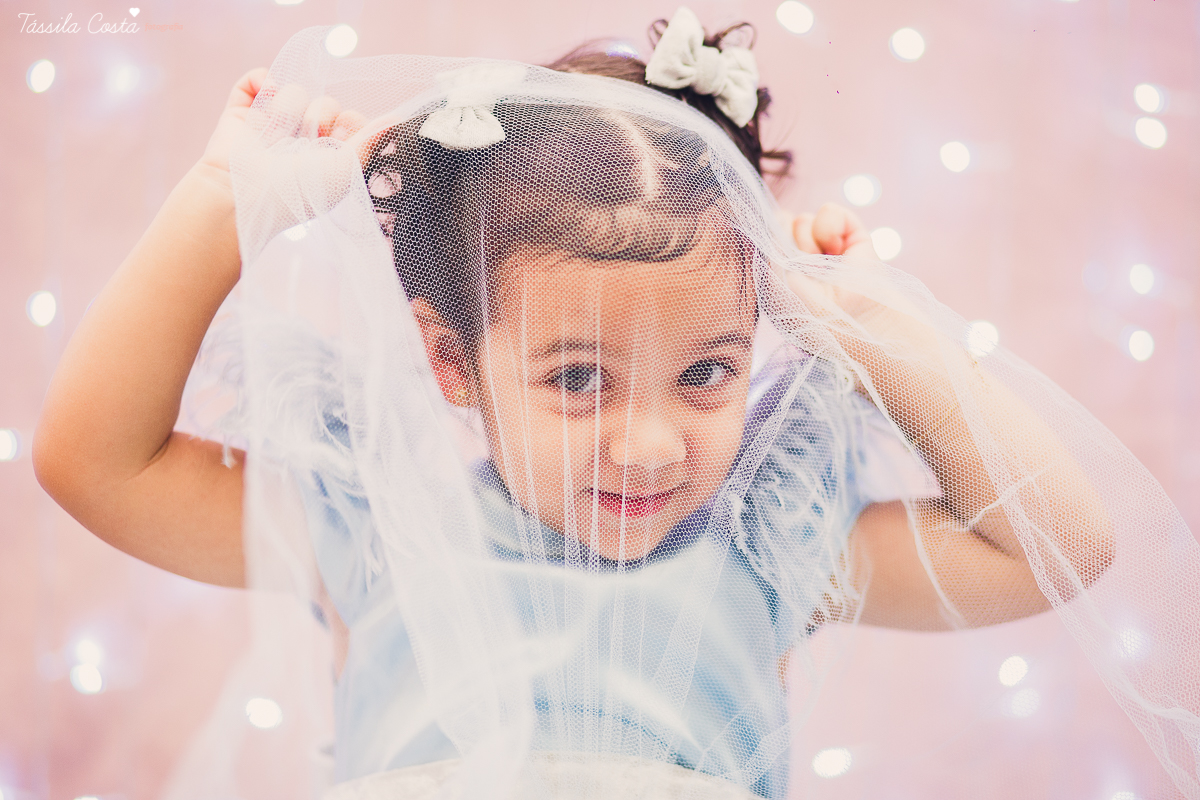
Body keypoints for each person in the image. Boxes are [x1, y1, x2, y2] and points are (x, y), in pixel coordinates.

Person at [33, 10, 1191, 800]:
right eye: (577, 377)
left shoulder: (768, 543)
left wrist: (858, 318)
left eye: (707, 372)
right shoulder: (383, 524)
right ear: (451, 366)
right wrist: (222, 198)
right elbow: (93, 460)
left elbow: (1060, 544)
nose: (650, 443)